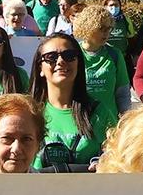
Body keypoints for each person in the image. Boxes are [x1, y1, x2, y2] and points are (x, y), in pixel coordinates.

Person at [30, 32, 101, 169]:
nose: (60, 61)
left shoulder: (99, 112)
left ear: (78, 64)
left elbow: (118, 157)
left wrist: (104, 162)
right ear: (40, 68)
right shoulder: (27, 112)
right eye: (51, 57)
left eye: (69, 56)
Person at [72, 4, 134, 122]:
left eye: (109, 28)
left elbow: (123, 93)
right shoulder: (73, 54)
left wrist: (126, 120)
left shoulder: (115, 55)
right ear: (88, 27)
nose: (106, 33)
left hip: (109, 125)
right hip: (79, 123)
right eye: (101, 29)